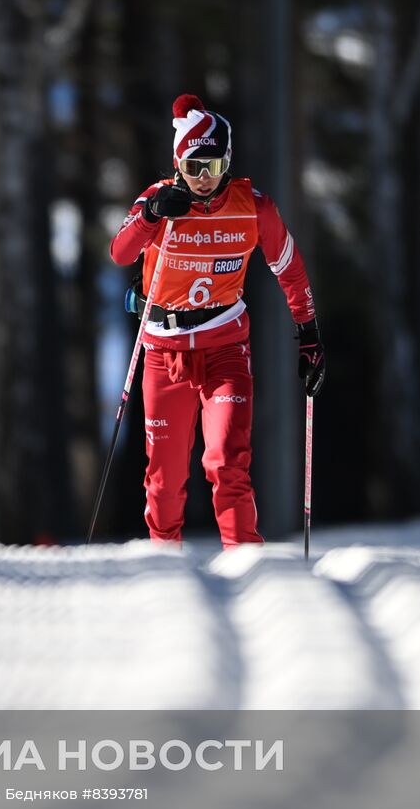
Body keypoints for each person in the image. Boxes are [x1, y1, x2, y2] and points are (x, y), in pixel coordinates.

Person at [109, 93, 325, 548]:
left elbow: (288, 266)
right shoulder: (160, 200)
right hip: (163, 354)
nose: (203, 179)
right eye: (192, 167)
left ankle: (247, 560)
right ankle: (164, 564)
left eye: (212, 166)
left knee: (226, 462)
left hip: (225, 348)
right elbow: (120, 252)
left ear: (227, 161)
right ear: (177, 162)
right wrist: (150, 216)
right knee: (164, 482)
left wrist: (307, 331)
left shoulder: (253, 207)